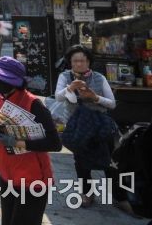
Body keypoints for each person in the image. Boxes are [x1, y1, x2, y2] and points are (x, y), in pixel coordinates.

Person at [0, 57, 62, 225]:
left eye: (2, 79)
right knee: (7, 220)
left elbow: (55, 143)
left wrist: (18, 143)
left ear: (15, 82)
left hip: (32, 179)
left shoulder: (34, 104)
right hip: (6, 172)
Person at [54, 45, 133, 213]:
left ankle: (119, 197)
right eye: (75, 61)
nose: (79, 64)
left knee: (109, 161)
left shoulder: (99, 77)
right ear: (70, 62)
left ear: (88, 61)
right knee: (82, 163)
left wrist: (95, 97)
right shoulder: (65, 76)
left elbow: (111, 103)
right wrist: (70, 88)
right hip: (78, 127)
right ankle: (87, 194)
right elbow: (58, 96)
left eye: (82, 60)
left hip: (100, 126)